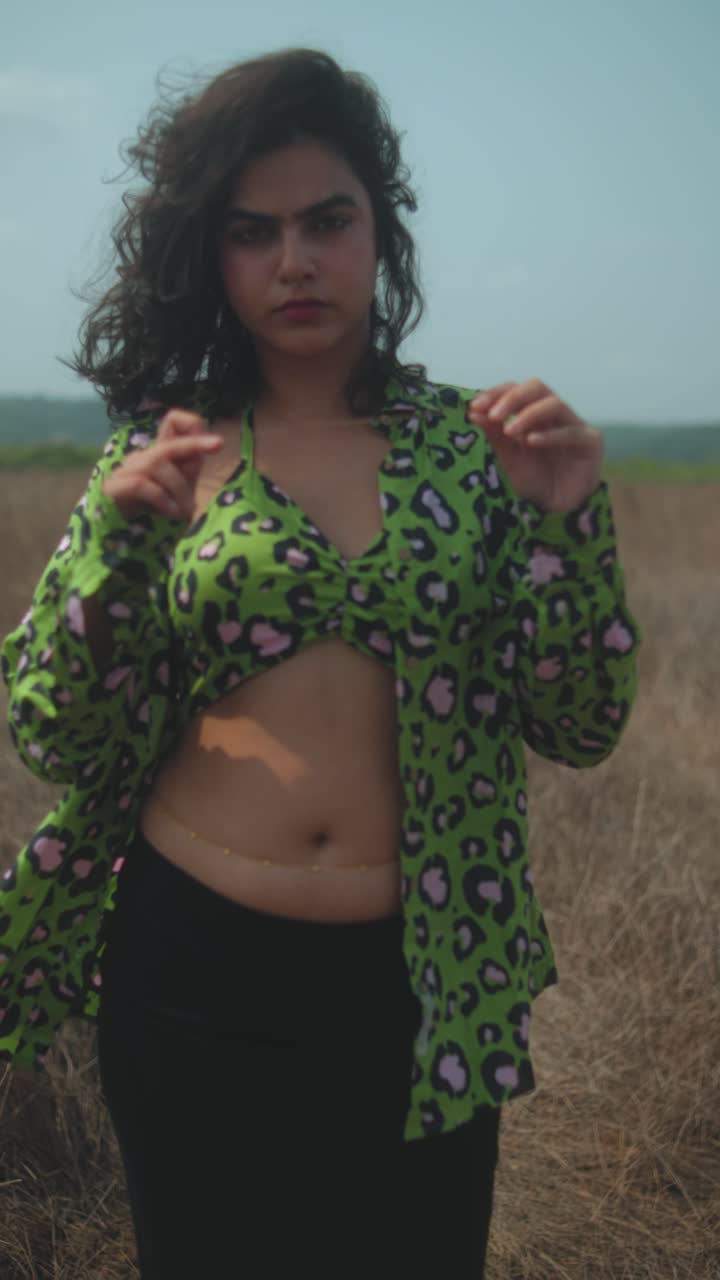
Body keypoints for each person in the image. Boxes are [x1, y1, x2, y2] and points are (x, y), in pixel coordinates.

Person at [0, 48, 641, 1280]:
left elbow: (581, 719)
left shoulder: (480, 450)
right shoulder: (170, 453)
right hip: (191, 976)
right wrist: (117, 555)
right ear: (214, 256)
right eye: (254, 231)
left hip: (420, 980)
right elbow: (55, 734)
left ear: (380, 232)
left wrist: (566, 522)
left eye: (326, 220)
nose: (293, 259)